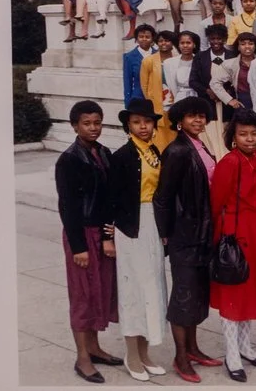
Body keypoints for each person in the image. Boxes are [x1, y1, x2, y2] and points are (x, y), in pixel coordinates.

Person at [152, 97, 221, 381]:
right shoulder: (177, 150)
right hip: (185, 235)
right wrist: (166, 235)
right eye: (192, 117)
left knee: (197, 295)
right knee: (183, 297)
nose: (198, 121)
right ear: (180, 121)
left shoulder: (201, 146)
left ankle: (193, 348)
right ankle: (181, 357)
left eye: (201, 117)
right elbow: (163, 197)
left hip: (204, 233)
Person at [54, 101, 122, 383]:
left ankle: (94, 348)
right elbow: (67, 207)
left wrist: (108, 236)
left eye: (97, 122)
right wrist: (79, 247)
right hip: (81, 234)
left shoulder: (104, 153)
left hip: (101, 233)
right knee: (82, 296)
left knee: (99, 293)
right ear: (74, 126)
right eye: (86, 123)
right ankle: (82, 357)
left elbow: (109, 199)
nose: (93, 128)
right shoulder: (69, 159)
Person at [209, 110, 256, 382]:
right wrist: (218, 236)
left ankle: (246, 346)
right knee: (232, 292)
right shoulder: (229, 162)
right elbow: (216, 201)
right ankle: (231, 353)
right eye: (243, 134)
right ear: (233, 138)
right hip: (234, 231)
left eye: (254, 134)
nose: (249, 139)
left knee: (250, 292)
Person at [107, 100, 173, 381]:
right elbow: (111, 198)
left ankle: (146, 353)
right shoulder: (122, 156)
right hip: (130, 227)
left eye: (147, 121)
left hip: (152, 224)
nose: (143, 126)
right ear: (128, 126)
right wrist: (108, 232)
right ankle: (132, 354)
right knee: (133, 289)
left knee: (153, 288)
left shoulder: (155, 152)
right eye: (136, 122)